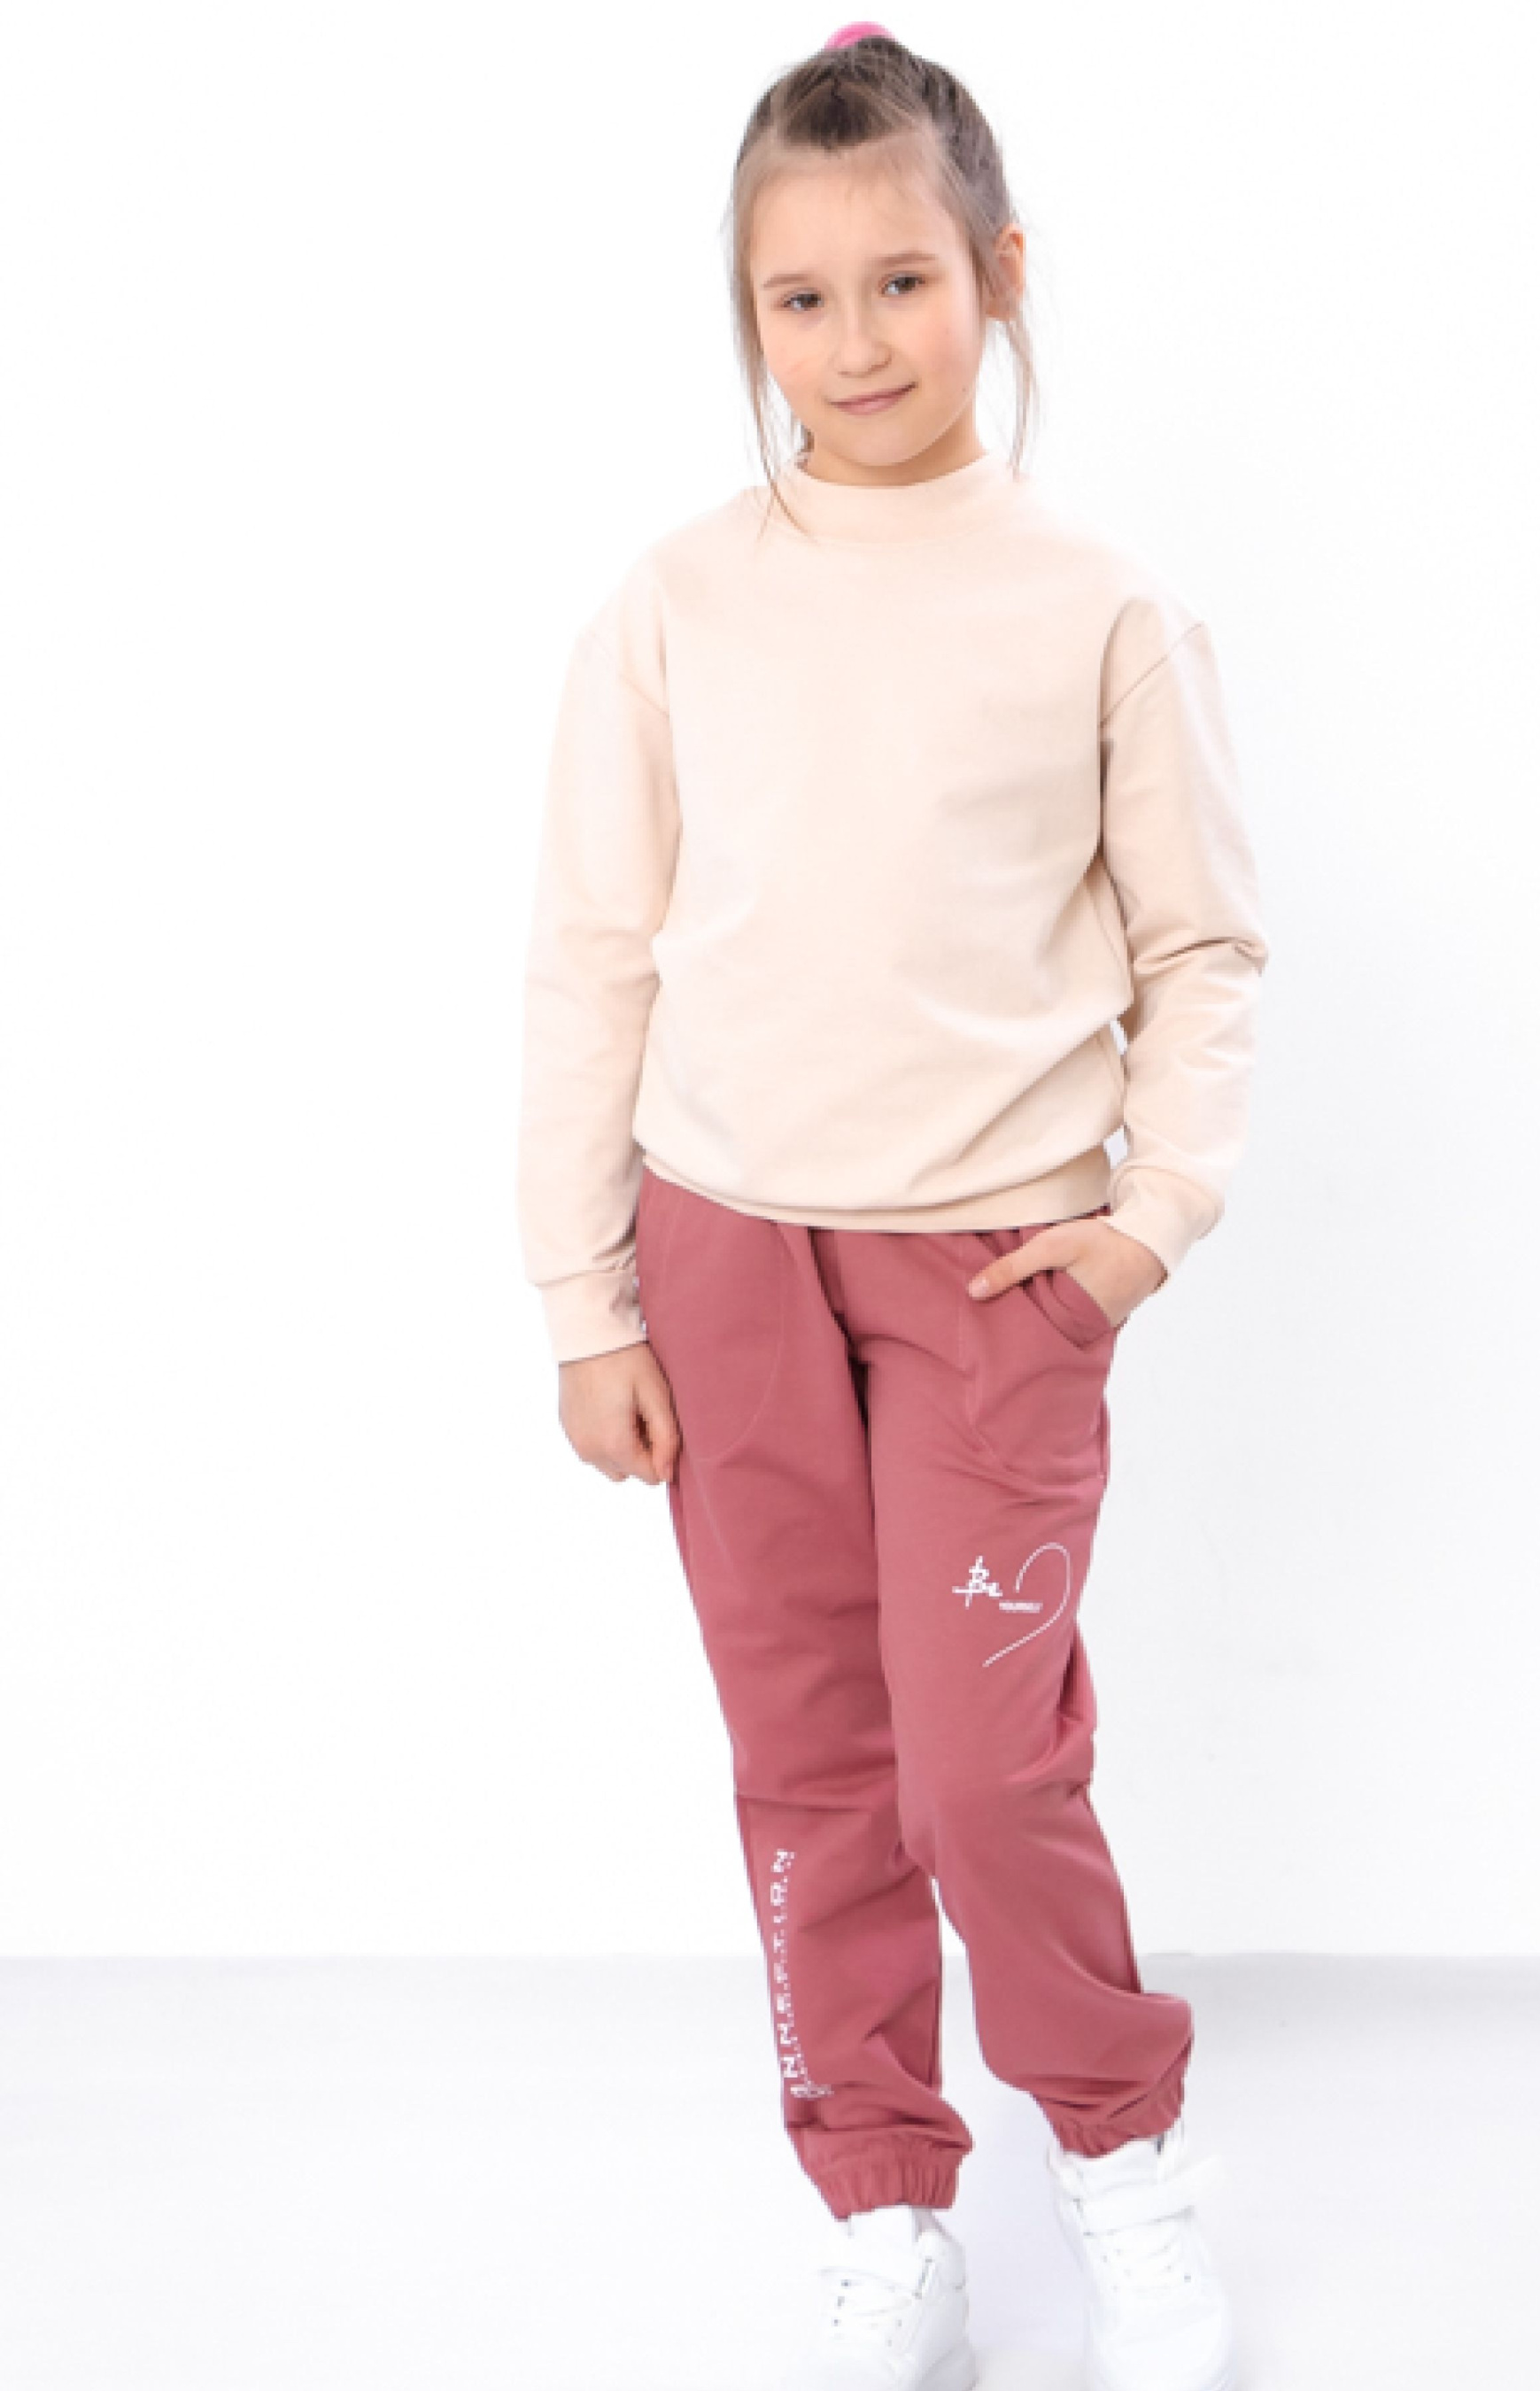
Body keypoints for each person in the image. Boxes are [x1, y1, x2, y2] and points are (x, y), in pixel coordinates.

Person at [516, 24, 1268, 2390]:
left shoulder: (1096, 604)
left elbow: (1201, 944)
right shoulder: (673, 605)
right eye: (800, 298)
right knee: (812, 1762)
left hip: (997, 1264)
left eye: (904, 283)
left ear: (999, 275)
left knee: (977, 1765)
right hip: (723, 1255)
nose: (855, 343)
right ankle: (882, 2203)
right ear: (746, 313)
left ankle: (1123, 2163)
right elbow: (593, 952)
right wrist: (585, 1297)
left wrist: (1153, 1215)